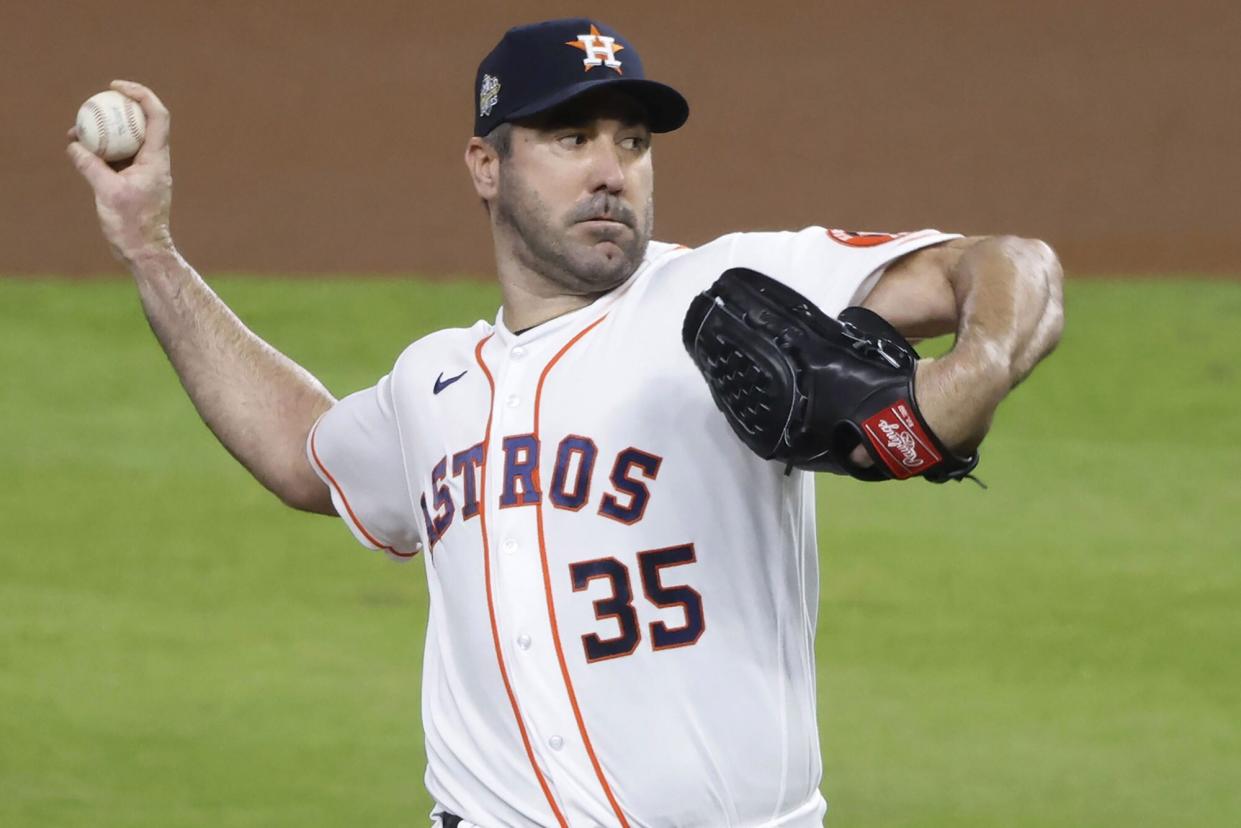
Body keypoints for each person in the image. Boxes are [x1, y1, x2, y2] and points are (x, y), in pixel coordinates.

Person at [67, 18, 1063, 828]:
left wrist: (954, 388)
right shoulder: (433, 383)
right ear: (484, 165)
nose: (610, 171)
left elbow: (1006, 265)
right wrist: (148, 245)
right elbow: (302, 454)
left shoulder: (720, 292)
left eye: (631, 141)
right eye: (569, 138)